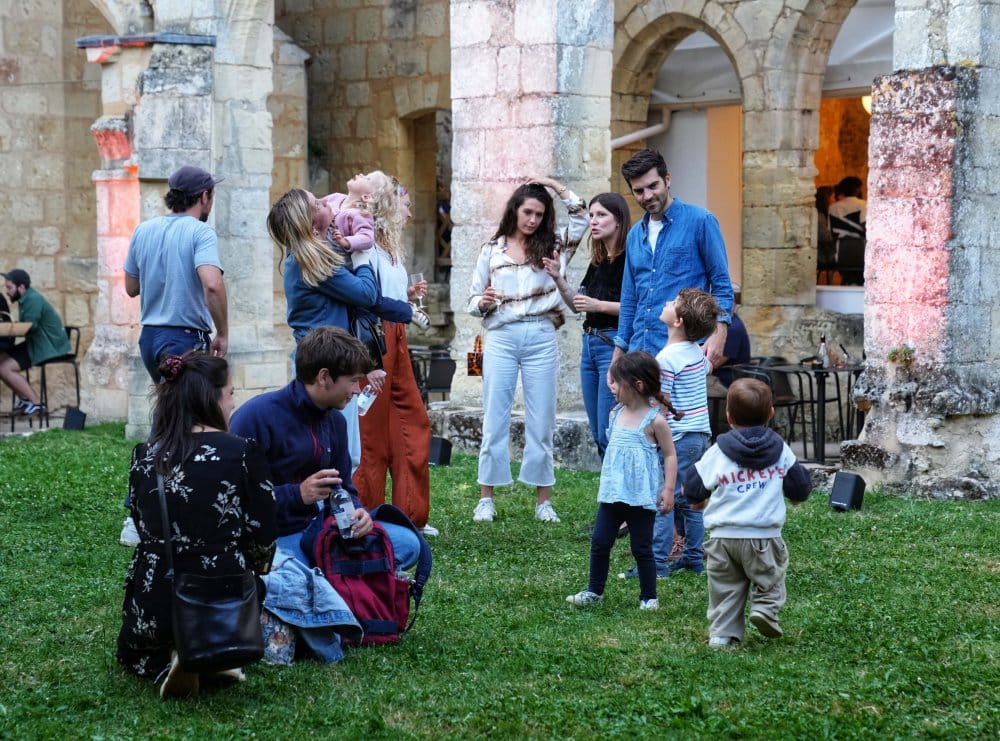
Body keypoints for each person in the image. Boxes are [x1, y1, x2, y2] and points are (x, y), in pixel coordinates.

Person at [116, 351, 277, 697]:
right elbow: (263, 537)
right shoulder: (244, 452)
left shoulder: (144, 455)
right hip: (222, 598)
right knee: (257, 581)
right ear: (212, 397)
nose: (234, 402)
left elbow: (143, 528)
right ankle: (214, 649)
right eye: (231, 393)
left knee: (144, 638)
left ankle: (170, 653)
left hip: (156, 597)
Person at [229, 326, 420, 571]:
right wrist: (298, 494)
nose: (357, 390)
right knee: (291, 570)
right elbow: (235, 498)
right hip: (275, 534)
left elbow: (344, 489)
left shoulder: (335, 421)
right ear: (323, 377)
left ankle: (330, 574)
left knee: (408, 544)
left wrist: (358, 513)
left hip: (322, 527)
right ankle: (328, 575)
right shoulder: (256, 417)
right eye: (352, 381)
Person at [467, 177, 589, 524]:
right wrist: (484, 302)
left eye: (539, 213)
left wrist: (552, 185)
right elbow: (473, 299)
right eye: (527, 212)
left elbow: (580, 217)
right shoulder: (492, 249)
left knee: (542, 418)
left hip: (540, 334)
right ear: (515, 211)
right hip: (502, 334)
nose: (533, 219)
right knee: (495, 414)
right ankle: (486, 498)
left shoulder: (553, 246)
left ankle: (543, 501)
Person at [685, 377, 812, 648]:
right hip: (763, 536)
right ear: (771, 413)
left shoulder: (718, 451)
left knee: (724, 589)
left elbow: (694, 487)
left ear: (728, 416)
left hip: (723, 539)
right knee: (770, 576)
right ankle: (765, 609)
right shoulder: (780, 450)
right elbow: (800, 486)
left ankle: (722, 634)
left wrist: (697, 495)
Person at [352, 174, 437, 536]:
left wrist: (407, 293)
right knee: (370, 428)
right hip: (375, 337)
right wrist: (404, 309)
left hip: (397, 335)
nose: (409, 210)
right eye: (404, 203)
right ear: (389, 204)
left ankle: (409, 513)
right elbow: (368, 296)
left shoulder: (391, 247)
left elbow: (388, 290)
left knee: (411, 420)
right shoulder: (365, 242)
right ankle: (366, 511)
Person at [565, 351, 678, 611]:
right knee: (600, 542)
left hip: (640, 497)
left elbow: (670, 455)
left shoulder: (655, 421)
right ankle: (594, 590)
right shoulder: (615, 414)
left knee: (642, 548)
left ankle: (649, 597)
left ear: (637, 385)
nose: (611, 386)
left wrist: (669, 489)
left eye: (616, 382)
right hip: (612, 494)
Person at [621, 288, 719, 580]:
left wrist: (648, 433)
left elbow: (661, 404)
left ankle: (656, 565)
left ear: (678, 321)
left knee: (663, 500)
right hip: (700, 435)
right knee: (691, 499)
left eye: (673, 303)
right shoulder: (695, 353)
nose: (667, 302)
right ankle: (692, 558)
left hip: (677, 439)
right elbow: (707, 368)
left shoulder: (666, 359)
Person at [612, 148, 733, 370]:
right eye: (638, 191)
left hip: (683, 353)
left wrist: (719, 331)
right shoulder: (634, 236)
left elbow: (722, 285)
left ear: (667, 179)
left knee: (683, 407)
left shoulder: (701, 221)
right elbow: (630, 299)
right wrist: (619, 351)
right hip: (640, 353)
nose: (647, 196)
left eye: (652, 186)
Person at [124, 165, 229, 382]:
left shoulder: (143, 230)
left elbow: (131, 287)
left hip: (149, 338)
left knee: (169, 409)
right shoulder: (202, 232)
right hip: (184, 339)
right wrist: (222, 333)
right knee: (187, 411)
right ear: (204, 196)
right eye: (212, 196)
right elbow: (212, 285)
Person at [544, 191, 629, 457]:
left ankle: (619, 497)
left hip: (612, 345)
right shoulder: (598, 261)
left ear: (618, 220)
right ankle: (611, 495)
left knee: (608, 430)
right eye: (591, 215)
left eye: (601, 215)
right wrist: (558, 278)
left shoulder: (630, 259)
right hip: (589, 346)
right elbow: (577, 304)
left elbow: (638, 308)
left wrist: (599, 306)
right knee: (596, 430)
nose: (593, 221)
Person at [0, 269, 70, 417]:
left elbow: (30, 326)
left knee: (6, 368)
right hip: (37, 343)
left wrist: (9, 329)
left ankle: (37, 403)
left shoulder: (33, 299)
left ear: (21, 287)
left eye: (9, 288)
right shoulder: (25, 299)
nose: (7, 292)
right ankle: (25, 400)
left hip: (47, 347)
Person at [322, 173, 376, 254]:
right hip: (315, 244)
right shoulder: (335, 197)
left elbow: (368, 238)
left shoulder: (362, 214)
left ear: (366, 197)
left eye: (367, 179)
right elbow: (316, 207)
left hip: (335, 257)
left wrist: (346, 242)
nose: (361, 174)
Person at [828, 176, 867, 285]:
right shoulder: (863, 204)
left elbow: (831, 232)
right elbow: (866, 228)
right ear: (857, 189)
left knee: (847, 277)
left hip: (840, 252)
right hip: (861, 250)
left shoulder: (833, 207)